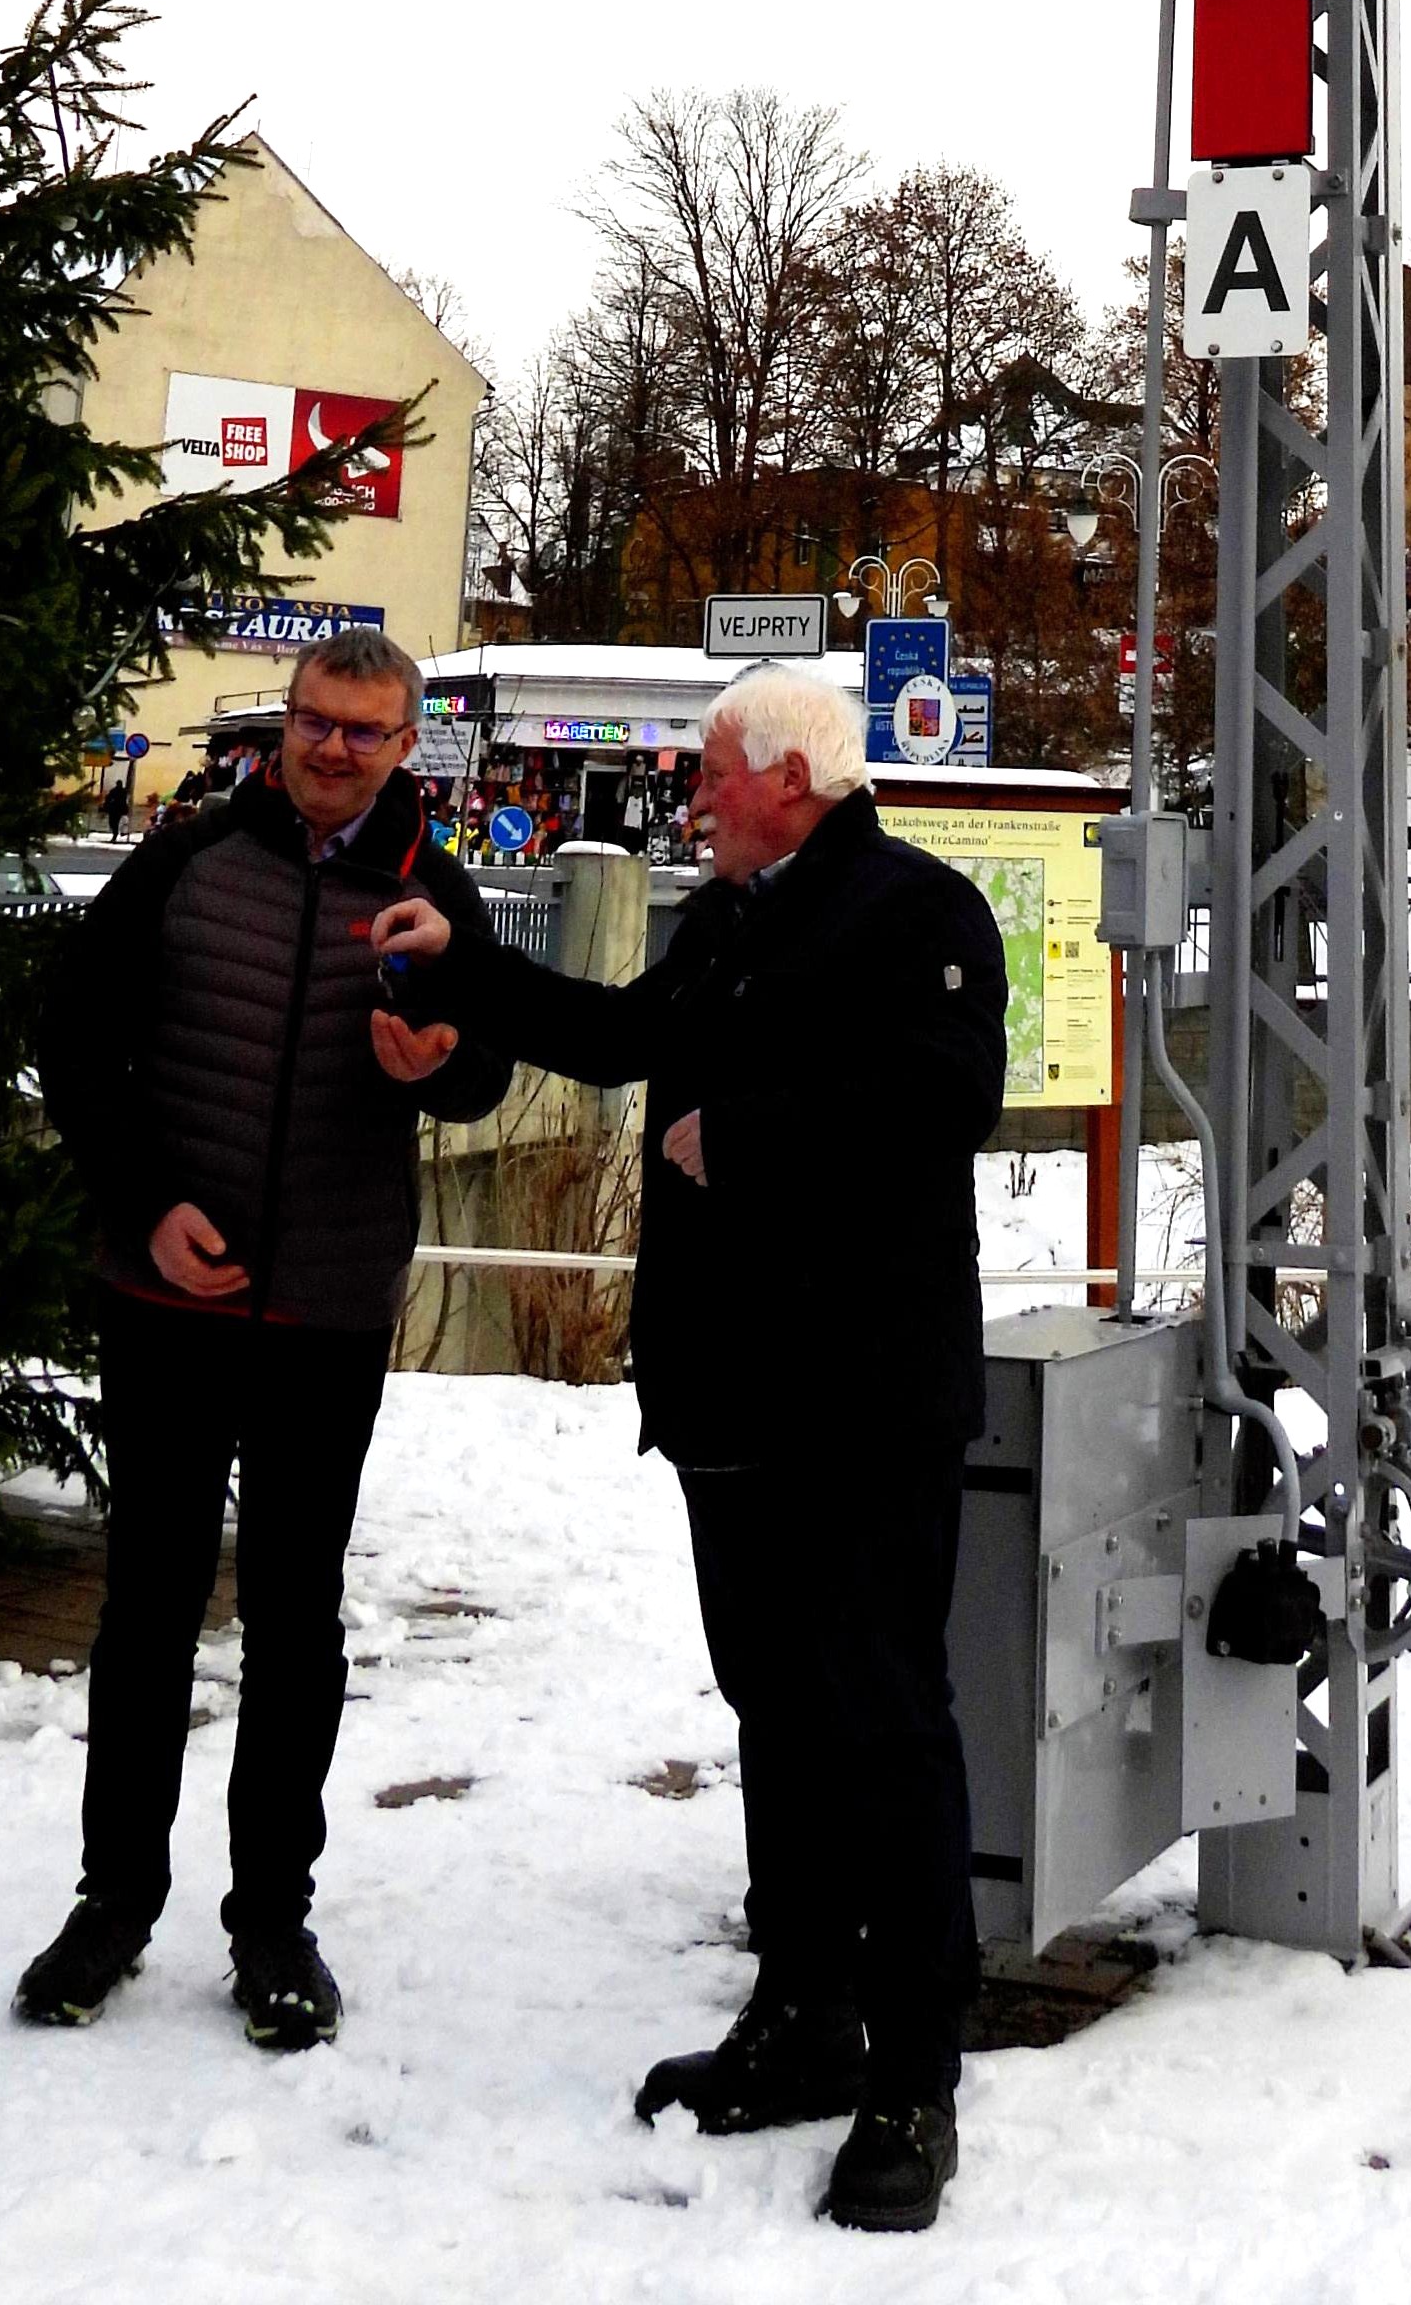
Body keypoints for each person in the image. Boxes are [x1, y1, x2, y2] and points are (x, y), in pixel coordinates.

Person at [374, 662, 1006, 2239]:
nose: (693, 795)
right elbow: (613, 1040)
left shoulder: (917, 908)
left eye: (712, 771)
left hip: (864, 1400)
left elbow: (950, 1094)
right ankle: (803, 2013)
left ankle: (913, 2076)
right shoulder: (727, 917)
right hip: (733, 1396)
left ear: (791, 777)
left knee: (885, 1721)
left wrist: (750, 1132)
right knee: (777, 1711)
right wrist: (468, 964)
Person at [20, 629, 514, 2048]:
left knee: (297, 1623)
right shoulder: (186, 861)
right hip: (166, 1295)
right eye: (314, 722)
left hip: (325, 1311)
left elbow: (482, 1070)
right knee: (148, 1610)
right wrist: (147, 1204)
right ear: (283, 726)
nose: (332, 749)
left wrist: (437, 1066)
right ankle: (113, 1903)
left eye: (363, 731)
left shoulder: (432, 894)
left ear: (405, 747)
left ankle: (273, 1924)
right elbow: (74, 1043)